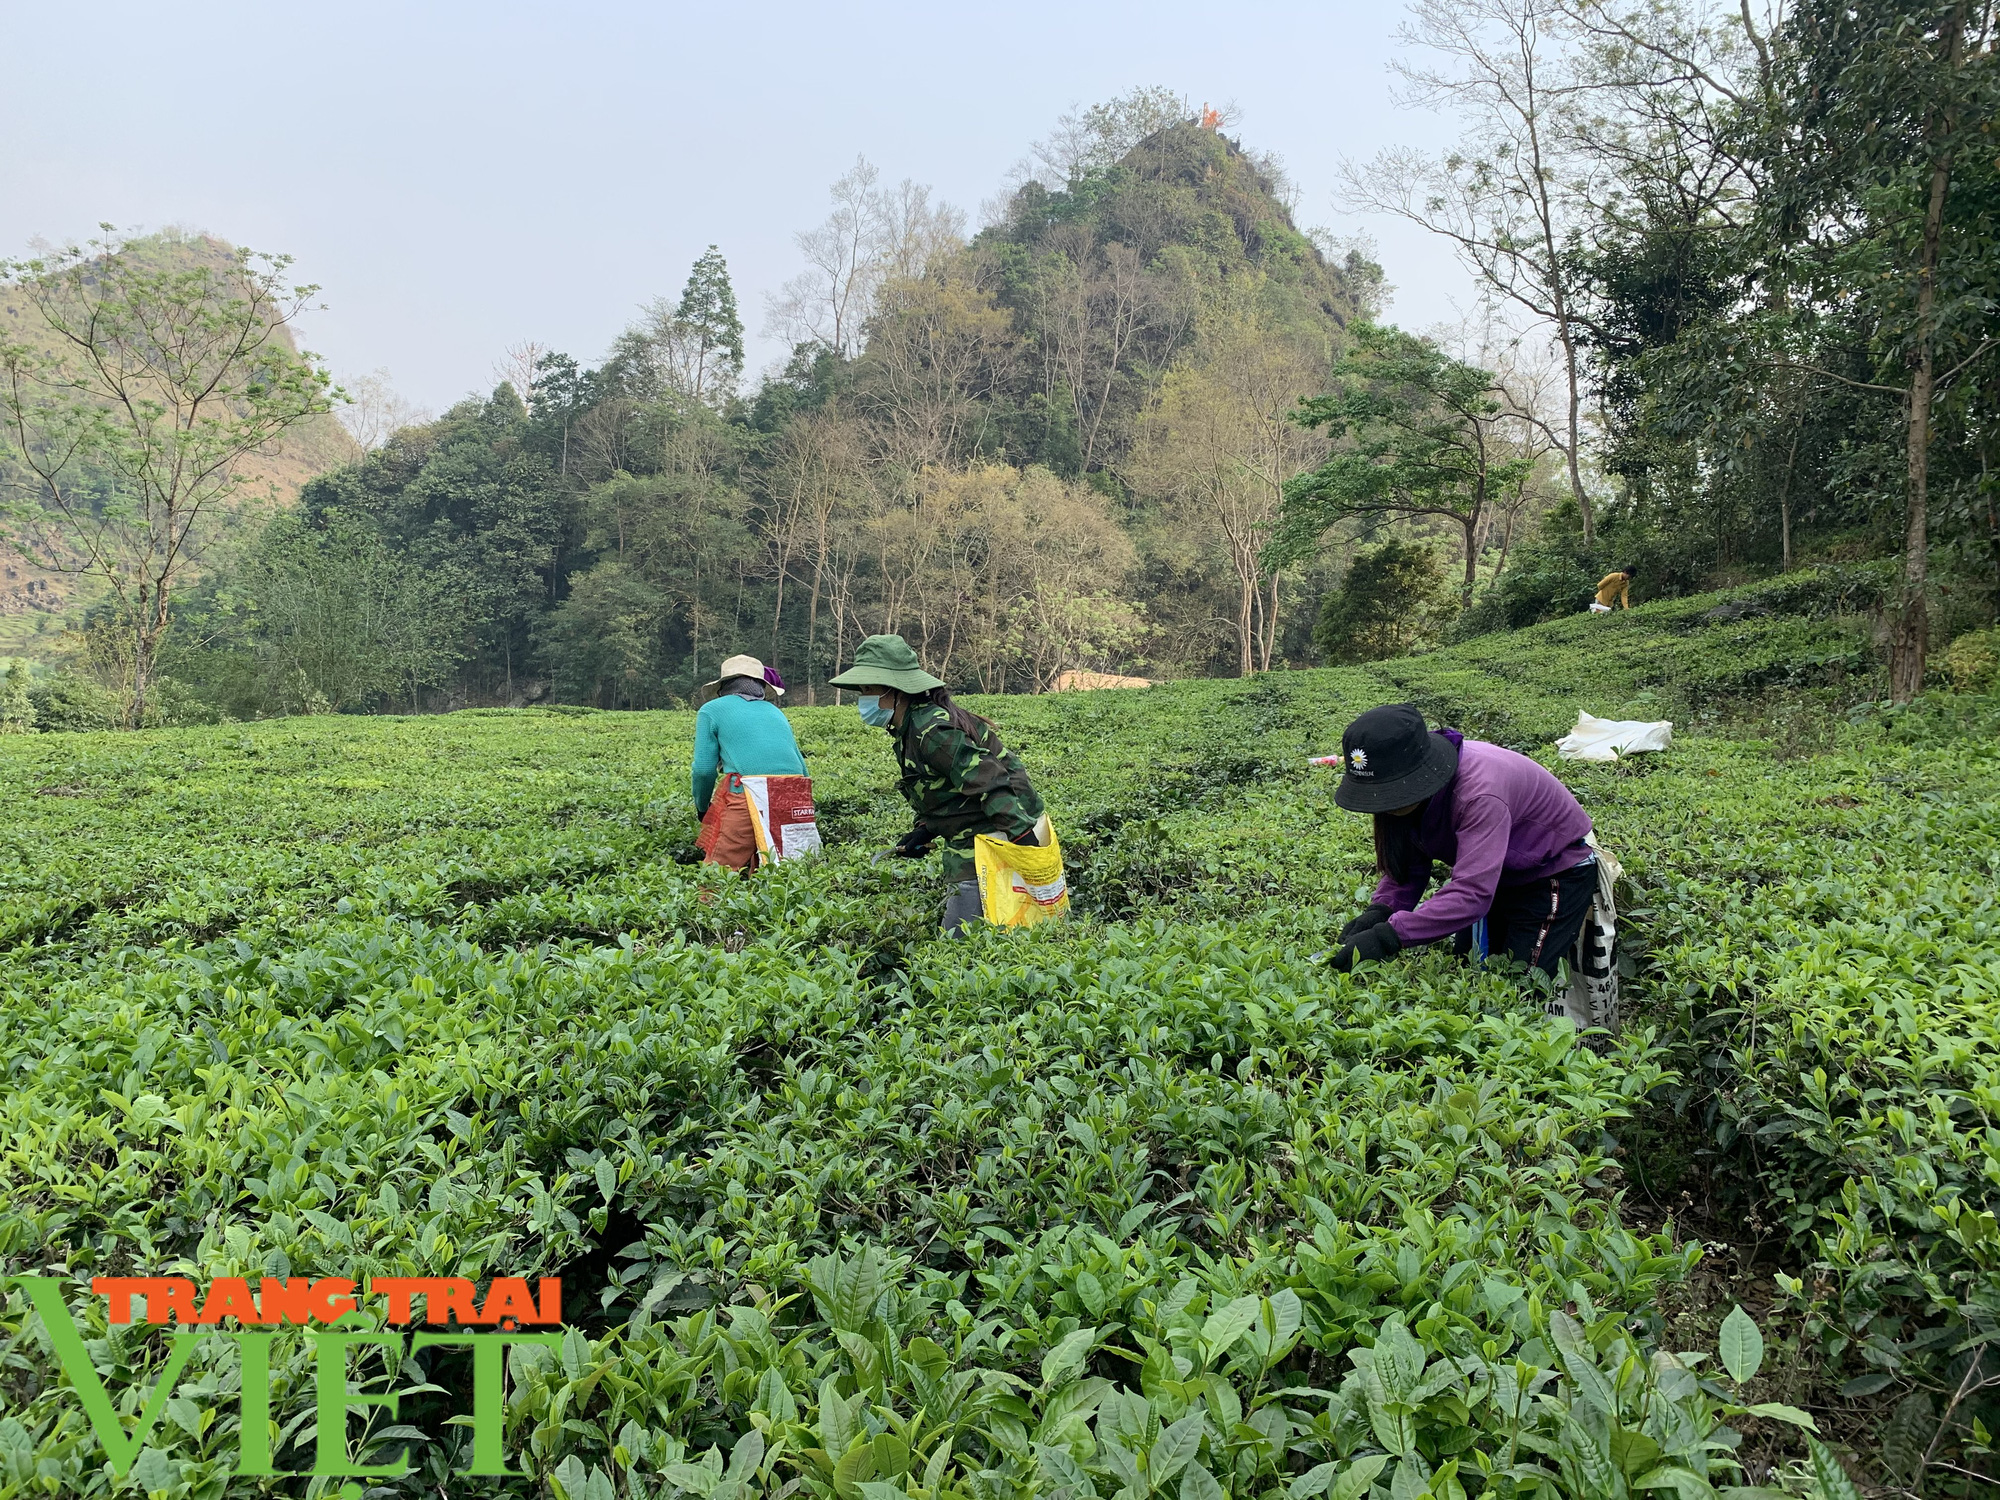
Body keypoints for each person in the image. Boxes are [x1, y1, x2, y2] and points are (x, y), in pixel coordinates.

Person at [1325, 703, 1598, 977]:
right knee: (1467, 967)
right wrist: (1382, 909)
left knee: (1519, 982)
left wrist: (1388, 937)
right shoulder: (1405, 790)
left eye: (1390, 793)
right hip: (1494, 871)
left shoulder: (1479, 795)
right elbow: (1408, 863)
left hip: (1551, 871)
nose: (1384, 804)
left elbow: (1472, 895)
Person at [829, 633, 1046, 933]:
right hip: (978, 834)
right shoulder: (908, 729)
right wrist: (924, 830)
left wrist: (1026, 846)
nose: (863, 699)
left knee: (959, 942)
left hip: (999, 831)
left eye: (870, 689)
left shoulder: (931, 730)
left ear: (897, 691)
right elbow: (943, 789)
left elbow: (990, 781)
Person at [691, 653, 809, 872]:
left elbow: (704, 770)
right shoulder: (776, 712)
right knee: (781, 871)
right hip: (793, 794)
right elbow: (802, 767)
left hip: (746, 794)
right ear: (761, 686)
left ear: (723, 686)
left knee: (718, 876)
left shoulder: (711, 710)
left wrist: (702, 807)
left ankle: (708, 906)